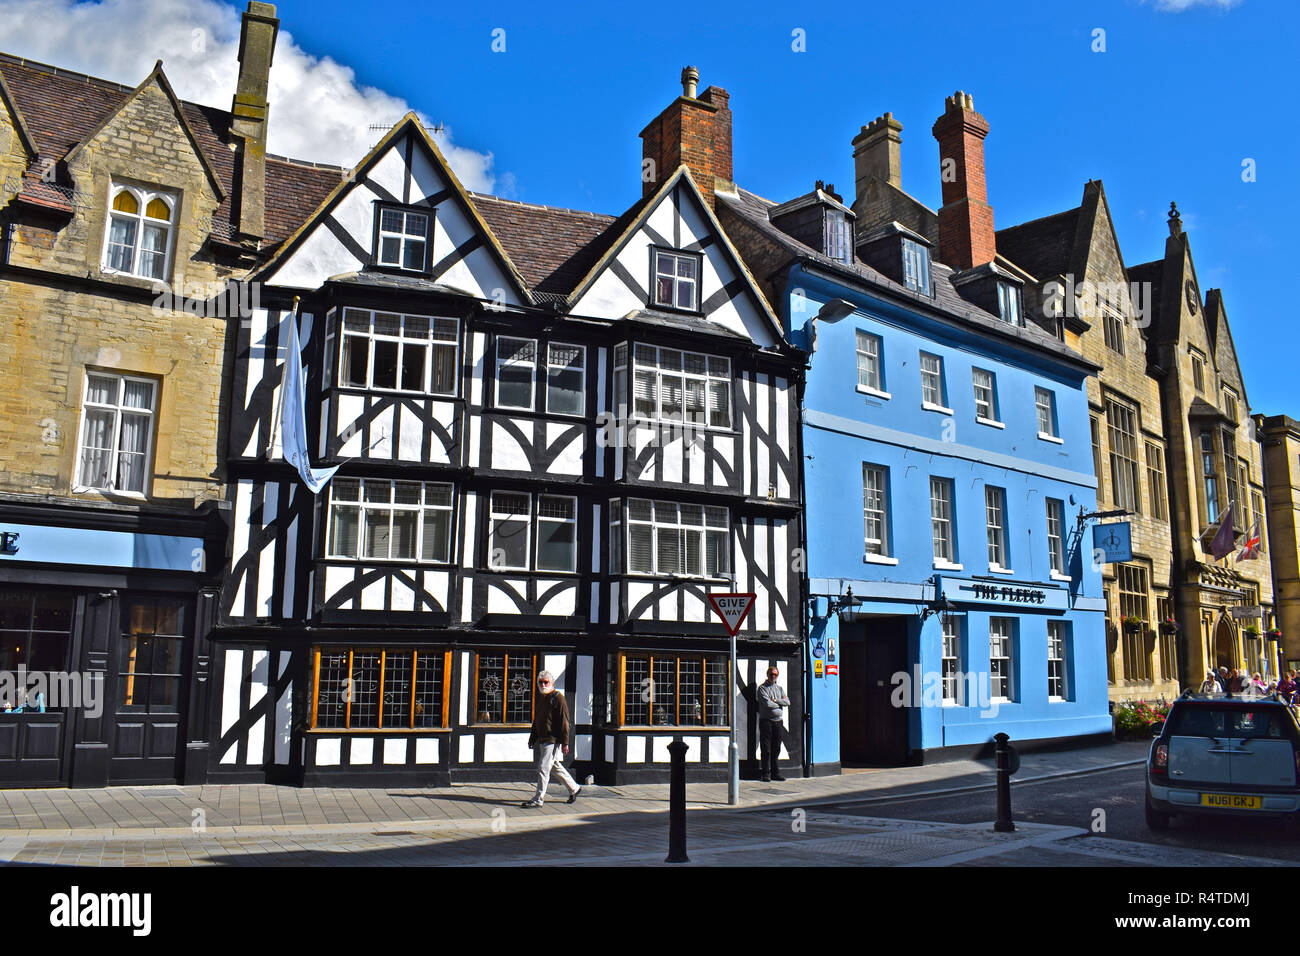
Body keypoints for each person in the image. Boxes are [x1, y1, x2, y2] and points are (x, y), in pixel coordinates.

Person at [521, 670, 581, 808]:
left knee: (543, 768)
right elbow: (537, 720)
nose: (543, 684)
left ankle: (538, 799)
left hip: (552, 739)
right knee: (554, 767)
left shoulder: (558, 697)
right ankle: (575, 788)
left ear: (552, 683)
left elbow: (565, 721)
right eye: (540, 682)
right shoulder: (542, 698)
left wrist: (565, 742)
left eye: (546, 682)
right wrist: (532, 738)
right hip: (543, 738)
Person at [756, 665, 790, 782]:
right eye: (771, 674)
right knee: (766, 748)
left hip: (778, 722)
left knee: (776, 747)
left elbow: (787, 702)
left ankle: (776, 773)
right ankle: (766, 773)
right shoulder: (762, 688)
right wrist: (779, 703)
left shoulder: (779, 689)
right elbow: (767, 704)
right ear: (767, 674)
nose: (773, 676)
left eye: (775, 674)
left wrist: (776, 700)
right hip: (766, 722)